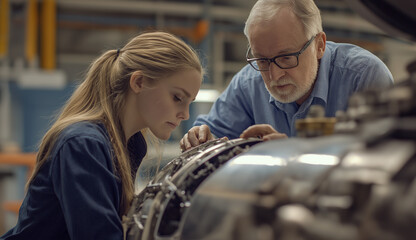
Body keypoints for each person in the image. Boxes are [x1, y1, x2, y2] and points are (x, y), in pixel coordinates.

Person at [0, 31, 203, 240]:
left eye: (190, 103)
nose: (185, 114)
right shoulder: (83, 144)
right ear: (139, 82)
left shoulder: (131, 145)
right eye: (177, 97)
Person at [180, 0, 393, 151]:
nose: (274, 75)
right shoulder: (248, 84)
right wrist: (202, 141)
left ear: (319, 45)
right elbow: (211, 142)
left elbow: (387, 166)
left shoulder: (364, 77)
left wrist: (291, 155)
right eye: (262, 60)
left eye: (286, 58)